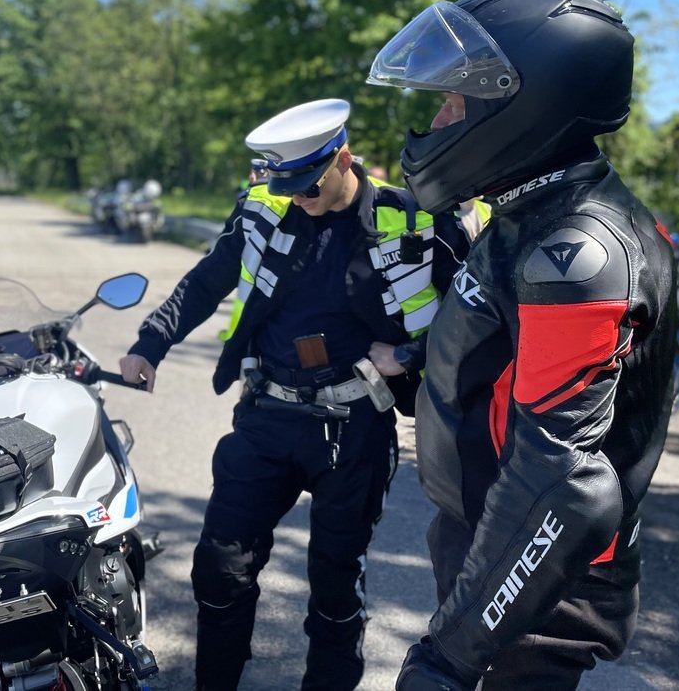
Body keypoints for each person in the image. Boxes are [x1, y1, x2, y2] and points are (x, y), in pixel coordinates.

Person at [364, 0, 678, 690]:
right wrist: (416, 362)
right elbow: (510, 348)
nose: (438, 119)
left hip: (538, 595)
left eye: (453, 102)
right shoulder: (528, 210)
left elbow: (565, 483)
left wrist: (449, 655)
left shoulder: (577, 251)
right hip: (490, 549)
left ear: (524, 101)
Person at [119, 99, 469, 690]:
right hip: (268, 415)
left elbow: (478, 314)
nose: (299, 196)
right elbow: (207, 280)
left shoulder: (412, 219)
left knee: (335, 583)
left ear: (344, 157)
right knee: (220, 569)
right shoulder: (264, 209)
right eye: (288, 185)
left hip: (356, 427)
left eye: (310, 184)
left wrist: (409, 355)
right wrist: (149, 343)